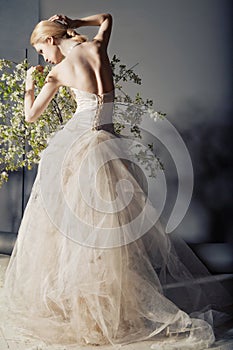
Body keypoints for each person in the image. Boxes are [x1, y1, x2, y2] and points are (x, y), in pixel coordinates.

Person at [2, 13, 232, 349]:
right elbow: (107, 17)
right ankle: (106, 310)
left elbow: (30, 115)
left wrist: (28, 82)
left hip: (79, 146)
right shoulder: (97, 46)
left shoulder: (57, 71)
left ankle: (90, 314)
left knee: (74, 233)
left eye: (41, 49)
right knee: (106, 236)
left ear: (50, 40)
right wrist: (75, 22)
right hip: (109, 144)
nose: (44, 58)